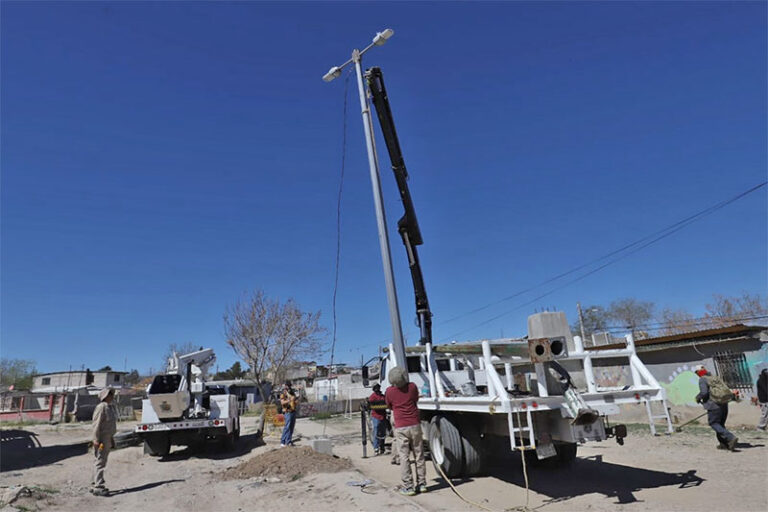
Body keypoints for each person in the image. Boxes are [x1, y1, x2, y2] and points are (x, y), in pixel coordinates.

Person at [384, 367, 427, 496]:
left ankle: (409, 486)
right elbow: (415, 400)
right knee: (419, 454)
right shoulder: (412, 387)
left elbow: (389, 405)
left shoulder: (389, 391)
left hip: (400, 426)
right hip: (414, 424)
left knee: (404, 457)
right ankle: (422, 484)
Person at [694, 365, 737, 450]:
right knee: (720, 424)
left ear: (698, 373)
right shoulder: (715, 378)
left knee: (713, 423)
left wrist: (698, 398)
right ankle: (723, 444)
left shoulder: (703, 379)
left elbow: (704, 393)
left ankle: (730, 437)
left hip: (713, 405)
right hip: (724, 403)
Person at [91, 387, 117, 496]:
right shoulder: (101, 407)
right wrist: (96, 439)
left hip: (106, 439)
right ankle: (98, 486)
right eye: (110, 394)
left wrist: (111, 439)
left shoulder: (108, 407)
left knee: (100, 461)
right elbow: (96, 424)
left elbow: (109, 426)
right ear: (105, 396)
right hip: (101, 439)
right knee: (100, 462)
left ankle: (94, 483)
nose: (112, 396)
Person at [368, 384, 387, 455]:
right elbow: (371, 405)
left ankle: (382, 447)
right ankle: (376, 448)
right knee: (376, 432)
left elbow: (386, 403)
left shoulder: (383, 396)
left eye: (378, 387)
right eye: (376, 388)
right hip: (376, 416)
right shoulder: (372, 397)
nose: (377, 389)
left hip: (383, 416)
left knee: (383, 433)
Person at [279, 381, 297, 447]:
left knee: (291, 427)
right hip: (287, 412)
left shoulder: (292, 392)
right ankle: (282, 441)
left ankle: (288, 441)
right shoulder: (283, 393)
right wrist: (289, 400)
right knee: (287, 427)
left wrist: (296, 400)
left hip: (293, 411)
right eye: (287, 385)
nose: (288, 387)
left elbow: (295, 400)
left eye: (289, 385)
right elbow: (282, 402)